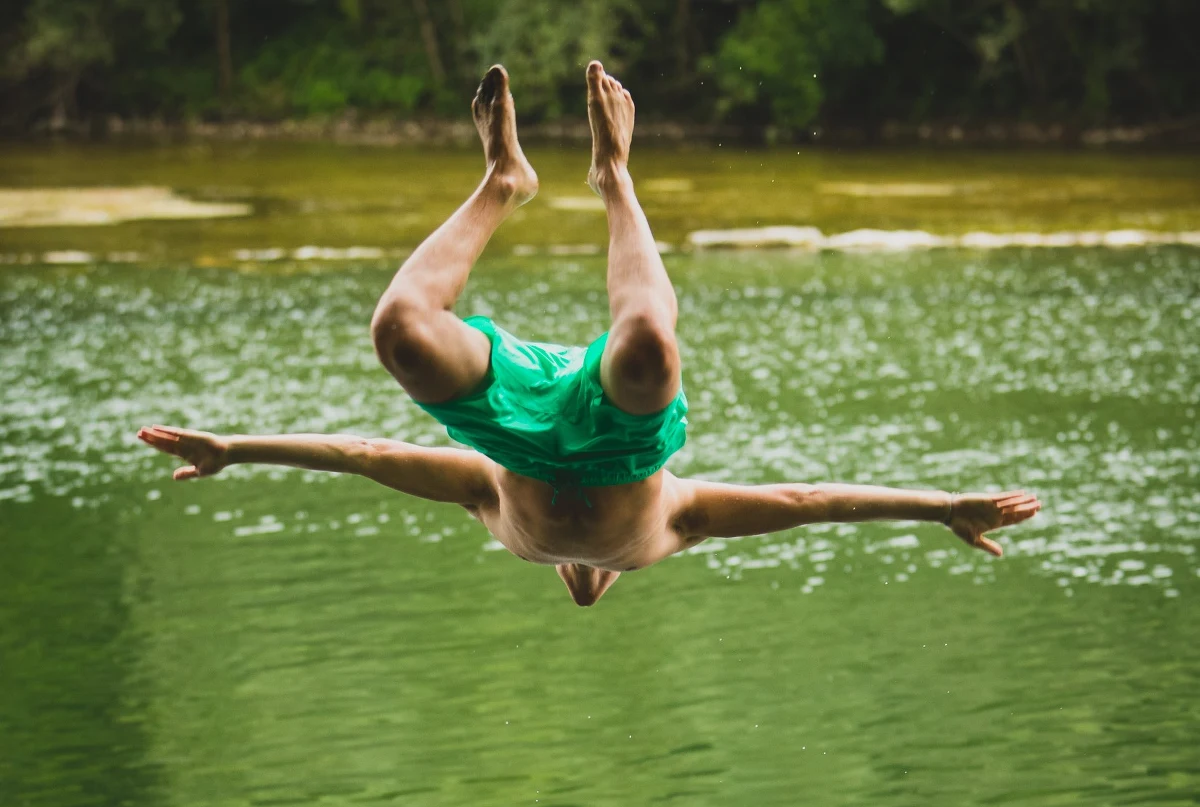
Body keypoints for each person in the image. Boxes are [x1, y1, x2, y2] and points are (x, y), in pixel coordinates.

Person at [137, 62, 1041, 606]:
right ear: (602, 579)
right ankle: (614, 175)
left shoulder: (493, 507)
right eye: (590, 574)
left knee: (401, 332)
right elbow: (810, 500)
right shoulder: (673, 524)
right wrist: (938, 506)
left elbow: (361, 452)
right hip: (621, 430)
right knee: (646, 338)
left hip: (517, 418)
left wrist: (235, 448)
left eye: (578, 573)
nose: (581, 564)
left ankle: (503, 179)